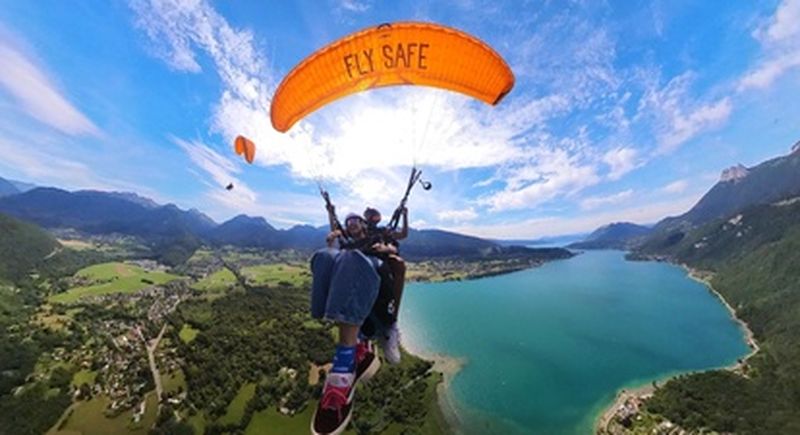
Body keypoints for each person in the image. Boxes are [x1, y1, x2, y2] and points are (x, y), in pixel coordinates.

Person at [309, 213, 396, 435]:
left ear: (364, 224)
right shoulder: (346, 240)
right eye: (348, 222)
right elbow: (334, 249)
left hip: (372, 269)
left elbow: (395, 248)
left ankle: (344, 366)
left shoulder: (378, 234)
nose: (351, 224)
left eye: (355, 220)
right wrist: (331, 242)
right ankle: (352, 347)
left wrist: (386, 249)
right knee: (323, 257)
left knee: (350, 258)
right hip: (351, 270)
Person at [361, 206, 408, 365]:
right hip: (367, 262)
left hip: (383, 261)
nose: (372, 218)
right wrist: (331, 214)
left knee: (398, 265)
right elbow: (343, 234)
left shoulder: (384, 231)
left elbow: (402, 235)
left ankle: (391, 321)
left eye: (374, 215)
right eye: (369, 215)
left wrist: (404, 216)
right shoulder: (362, 230)